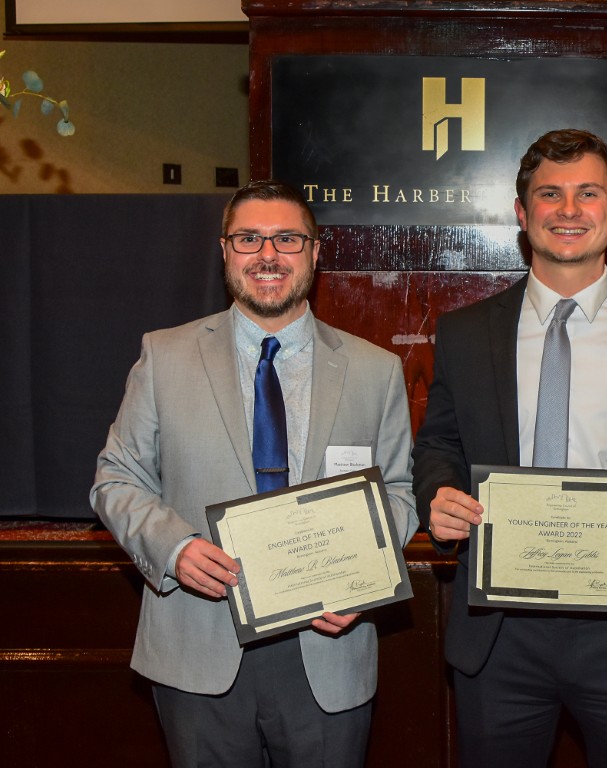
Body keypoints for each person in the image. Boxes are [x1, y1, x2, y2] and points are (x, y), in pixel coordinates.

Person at [412, 129, 607, 767]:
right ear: (522, 214)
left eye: (588, 193)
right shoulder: (465, 333)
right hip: (499, 632)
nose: (569, 210)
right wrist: (438, 495)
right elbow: (439, 442)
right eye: (550, 194)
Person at [91, 180, 417, 767]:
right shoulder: (164, 356)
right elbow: (116, 477)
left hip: (326, 649)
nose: (268, 254)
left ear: (315, 253)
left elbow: (399, 491)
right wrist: (173, 548)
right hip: (198, 644)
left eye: (287, 239)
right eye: (249, 239)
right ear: (225, 250)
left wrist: (361, 579)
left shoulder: (376, 370)